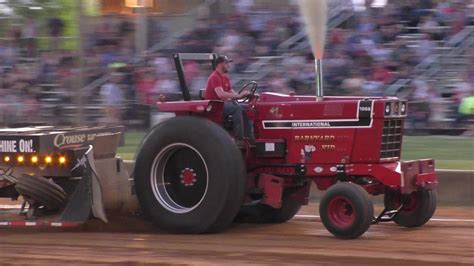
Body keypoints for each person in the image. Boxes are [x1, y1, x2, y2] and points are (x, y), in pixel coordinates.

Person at [204, 55, 251, 139]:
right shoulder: (214, 77)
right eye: (226, 63)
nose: (229, 66)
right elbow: (220, 94)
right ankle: (239, 138)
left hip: (224, 104)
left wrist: (243, 95)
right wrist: (238, 96)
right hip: (215, 105)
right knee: (237, 109)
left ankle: (249, 135)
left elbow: (231, 93)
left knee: (248, 107)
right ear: (219, 65)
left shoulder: (225, 78)